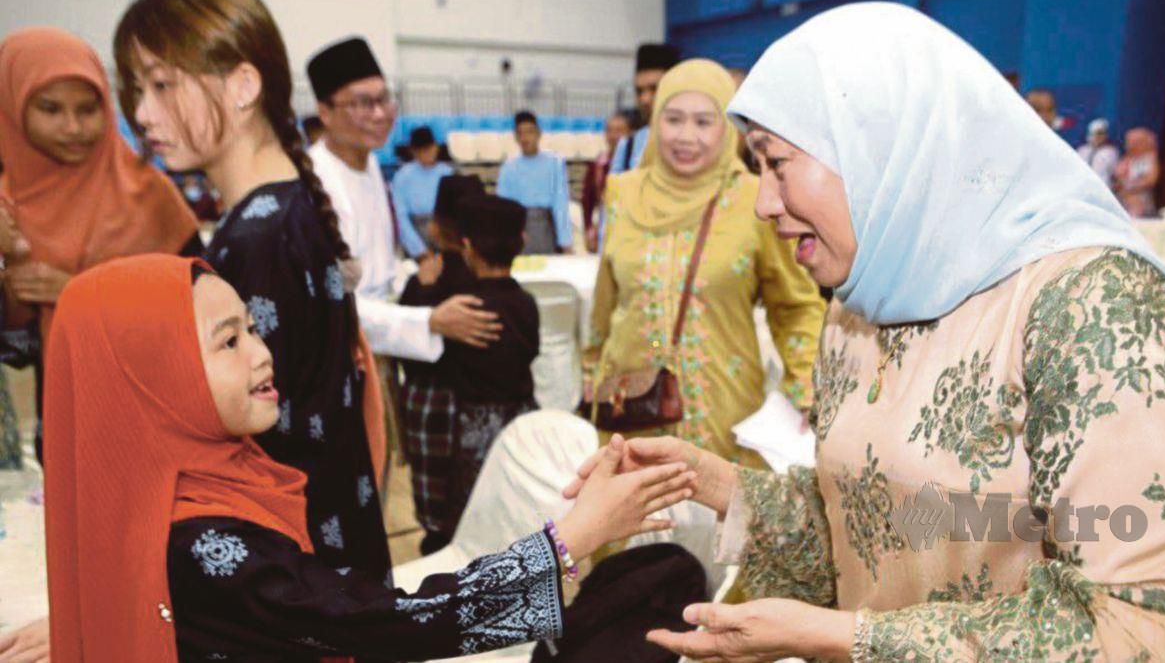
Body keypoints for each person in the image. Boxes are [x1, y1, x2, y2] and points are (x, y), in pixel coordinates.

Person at [569, 3, 1165, 662]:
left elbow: (1143, 631)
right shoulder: (861, 306)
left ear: (880, 146)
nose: (764, 203)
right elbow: (869, 528)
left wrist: (843, 637)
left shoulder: (1093, 308)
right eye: (756, 167)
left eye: (778, 163)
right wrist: (715, 482)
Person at [41, 253, 697, 662]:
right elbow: (386, 625)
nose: (262, 351)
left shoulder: (170, 490)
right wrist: (572, 538)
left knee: (652, 582)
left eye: (251, 327)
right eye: (227, 341)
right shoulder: (204, 541)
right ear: (158, 376)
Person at [115, 0, 393, 594]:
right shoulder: (280, 211)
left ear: (242, 86)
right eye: (136, 88)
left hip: (294, 573)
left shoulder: (257, 241)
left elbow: (236, 452)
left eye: (162, 84)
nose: (140, 112)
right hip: (327, 554)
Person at [587, 59, 826, 468]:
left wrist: (804, 384)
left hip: (723, 408)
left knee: (720, 516)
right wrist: (590, 372)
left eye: (704, 121)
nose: (686, 136)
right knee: (634, 521)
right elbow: (606, 301)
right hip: (631, 407)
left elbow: (796, 306)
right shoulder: (622, 193)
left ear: (729, 130)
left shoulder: (755, 199)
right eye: (674, 119)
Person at [0, 26, 199, 463]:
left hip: (161, 425)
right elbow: (16, 348)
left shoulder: (150, 196)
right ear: (13, 109)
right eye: (50, 109)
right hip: (67, 428)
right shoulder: (8, 206)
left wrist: (78, 291)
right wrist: (11, 261)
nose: (73, 128)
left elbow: (199, 317)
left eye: (88, 109)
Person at [305, 36, 497, 480]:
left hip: (378, 350)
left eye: (383, 98)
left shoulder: (369, 165)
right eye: (361, 103)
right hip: (337, 362)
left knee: (380, 470)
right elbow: (331, 304)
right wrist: (428, 322)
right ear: (325, 112)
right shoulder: (316, 185)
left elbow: (376, 271)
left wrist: (413, 272)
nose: (379, 113)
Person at [438, 194, 541, 538]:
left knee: (476, 525)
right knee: (521, 520)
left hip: (476, 430)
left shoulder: (463, 309)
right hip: (523, 422)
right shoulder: (526, 303)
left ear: (466, 247)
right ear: (521, 243)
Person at [397, 173, 487, 554]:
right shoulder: (491, 280)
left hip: (429, 404)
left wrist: (420, 286)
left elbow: (403, 344)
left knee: (438, 531)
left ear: (435, 226)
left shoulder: (424, 280)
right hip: (480, 407)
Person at [495, 111, 572, 254]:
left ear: (538, 134)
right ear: (516, 137)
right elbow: (503, 205)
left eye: (529, 132)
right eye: (520, 133)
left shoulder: (554, 162)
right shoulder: (509, 167)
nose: (525, 138)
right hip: (519, 228)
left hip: (547, 225)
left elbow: (560, 202)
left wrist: (565, 241)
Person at [609, 43, 681, 175]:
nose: (645, 99)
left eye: (654, 89)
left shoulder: (697, 144)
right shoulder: (628, 148)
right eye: (639, 91)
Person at [391, 125, 454, 259]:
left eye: (429, 148)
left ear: (436, 147)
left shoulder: (447, 173)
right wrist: (419, 250)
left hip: (444, 233)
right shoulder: (402, 176)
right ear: (413, 152)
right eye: (421, 150)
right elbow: (400, 217)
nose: (426, 153)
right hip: (415, 233)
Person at [580, 112, 630, 252]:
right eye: (609, 130)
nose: (614, 136)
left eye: (619, 131)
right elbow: (587, 202)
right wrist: (589, 231)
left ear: (629, 133)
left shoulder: (636, 164)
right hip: (606, 228)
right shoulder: (597, 165)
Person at [1115, 127, 1160, 218]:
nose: (1128, 144)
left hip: (1141, 200)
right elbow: (1118, 175)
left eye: (1132, 142)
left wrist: (1130, 187)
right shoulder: (1127, 158)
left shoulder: (1149, 159)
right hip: (1123, 199)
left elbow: (1151, 179)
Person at [1076, 118, 1118, 187]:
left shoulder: (1111, 152)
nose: (1098, 137)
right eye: (1096, 134)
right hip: (1082, 185)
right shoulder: (1082, 150)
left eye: (1101, 134)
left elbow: (1114, 174)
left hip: (1102, 186)